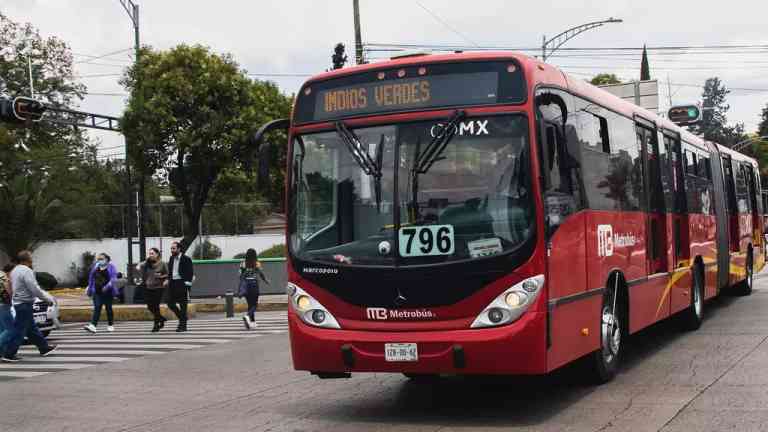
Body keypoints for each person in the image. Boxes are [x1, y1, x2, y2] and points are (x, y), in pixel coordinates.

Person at [2, 251, 57, 362]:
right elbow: (34, 288)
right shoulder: (26, 271)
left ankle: (44, 348)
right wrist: (47, 299)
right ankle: (9, 354)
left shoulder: (15, 270)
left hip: (19, 303)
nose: (32, 260)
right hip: (24, 303)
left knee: (31, 328)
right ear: (28, 260)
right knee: (19, 330)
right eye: (31, 257)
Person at [84, 253, 119, 333]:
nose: (100, 260)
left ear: (107, 259)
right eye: (98, 259)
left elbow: (113, 278)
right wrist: (89, 288)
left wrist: (107, 286)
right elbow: (91, 278)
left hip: (107, 291)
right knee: (97, 307)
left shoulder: (111, 267)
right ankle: (93, 326)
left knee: (108, 308)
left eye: (101, 258)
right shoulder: (96, 266)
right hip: (96, 291)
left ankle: (110, 325)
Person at [137, 248, 168, 333]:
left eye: (152, 253)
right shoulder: (147, 263)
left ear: (157, 254)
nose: (150, 255)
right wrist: (139, 267)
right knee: (150, 306)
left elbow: (168, 274)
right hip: (148, 287)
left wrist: (161, 276)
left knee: (156, 306)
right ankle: (161, 319)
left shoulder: (162, 264)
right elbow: (139, 266)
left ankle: (156, 325)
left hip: (159, 287)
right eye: (149, 253)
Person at [238, 248, 270, 330]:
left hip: (245, 285)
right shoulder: (256, 263)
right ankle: (247, 316)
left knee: (250, 304)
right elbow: (261, 274)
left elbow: (239, 275)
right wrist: (266, 281)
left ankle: (252, 322)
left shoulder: (242, 264)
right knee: (255, 305)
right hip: (254, 285)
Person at [167, 241, 193, 332]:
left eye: (173, 248)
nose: (172, 250)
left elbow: (190, 273)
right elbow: (170, 272)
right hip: (173, 283)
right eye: (171, 248)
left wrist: (187, 286)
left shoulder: (186, 259)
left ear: (179, 249)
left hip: (182, 283)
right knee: (170, 303)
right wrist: (168, 280)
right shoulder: (171, 258)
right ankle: (183, 318)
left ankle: (183, 326)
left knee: (183, 306)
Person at [0, 264, 15, 355]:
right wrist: (12, 295)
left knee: (2, 329)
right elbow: (7, 287)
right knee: (11, 329)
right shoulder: (4, 276)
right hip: (3, 305)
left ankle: (3, 352)